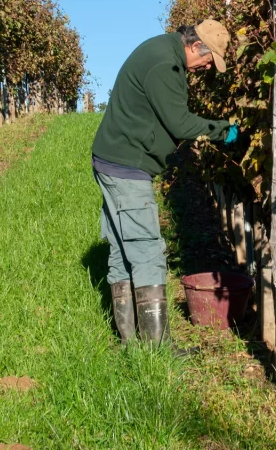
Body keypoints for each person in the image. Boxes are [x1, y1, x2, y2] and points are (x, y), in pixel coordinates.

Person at [91, 19, 238, 353]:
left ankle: (132, 345)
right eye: (207, 60)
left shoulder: (162, 50)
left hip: (113, 158)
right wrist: (222, 129)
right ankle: (158, 351)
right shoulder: (165, 65)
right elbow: (180, 122)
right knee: (147, 250)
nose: (205, 68)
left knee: (121, 249)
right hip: (126, 165)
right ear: (195, 46)